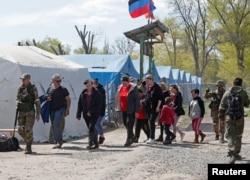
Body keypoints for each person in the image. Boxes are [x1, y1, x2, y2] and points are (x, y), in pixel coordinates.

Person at [219, 77, 250, 164]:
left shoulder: (227, 92)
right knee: (239, 135)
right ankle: (236, 153)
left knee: (229, 135)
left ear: (233, 83)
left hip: (229, 117)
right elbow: (247, 103)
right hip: (240, 117)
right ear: (241, 84)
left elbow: (222, 106)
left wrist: (221, 118)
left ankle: (231, 152)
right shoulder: (243, 93)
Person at [16, 73, 41, 154]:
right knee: (20, 129)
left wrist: (38, 113)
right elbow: (17, 98)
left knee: (28, 129)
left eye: (24, 79)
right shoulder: (20, 88)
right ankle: (28, 140)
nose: (22, 80)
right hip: (21, 112)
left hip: (30, 111)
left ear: (28, 79)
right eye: (22, 79)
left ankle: (28, 146)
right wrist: (17, 104)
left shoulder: (33, 88)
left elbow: (37, 101)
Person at [47, 74, 71, 149]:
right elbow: (47, 97)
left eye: (60, 81)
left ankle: (59, 141)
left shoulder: (63, 89)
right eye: (57, 81)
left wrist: (67, 109)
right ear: (53, 81)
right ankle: (57, 140)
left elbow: (68, 100)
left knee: (56, 124)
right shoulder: (49, 89)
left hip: (60, 109)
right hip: (52, 110)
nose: (59, 82)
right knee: (54, 125)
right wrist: (48, 99)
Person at [76, 79, 102, 150]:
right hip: (85, 114)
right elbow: (80, 104)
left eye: (89, 85)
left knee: (91, 127)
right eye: (87, 86)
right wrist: (78, 114)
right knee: (91, 129)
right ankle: (96, 143)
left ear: (92, 85)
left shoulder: (97, 93)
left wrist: (91, 112)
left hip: (94, 114)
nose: (88, 87)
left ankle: (90, 144)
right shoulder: (83, 94)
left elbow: (98, 105)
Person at [115, 76, 140, 146]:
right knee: (126, 124)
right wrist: (117, 108)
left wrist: (136, 111)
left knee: (129, 124)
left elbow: (137, 100)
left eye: (125, 83)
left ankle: (129, 140)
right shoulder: (120, 88)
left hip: (131, 110)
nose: (124, 84)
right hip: (123, 109)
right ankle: (133, 136)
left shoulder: (133, 88)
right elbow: (118, 99)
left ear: (129, 82)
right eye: (123, 83)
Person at [144, 74, 163, 144]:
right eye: (146, 81)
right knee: (150, 121)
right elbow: (147, 97)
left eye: (148, 81)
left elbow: (160, 98)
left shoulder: (157, 88)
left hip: (155, 107)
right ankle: (150, 137)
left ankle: (152, 138)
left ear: (152, 80)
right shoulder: (148, 88)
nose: (147, 82)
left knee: (152, 121)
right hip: (148, 107)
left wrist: (158, 107)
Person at [92, 78, 106, 145]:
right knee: (94, 125)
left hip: (100, 110)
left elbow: (101, 101)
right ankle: (95, 139)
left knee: (97, 123)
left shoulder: (101, 90)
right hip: (94, 110)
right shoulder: (93, 90)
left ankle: (101, 136)